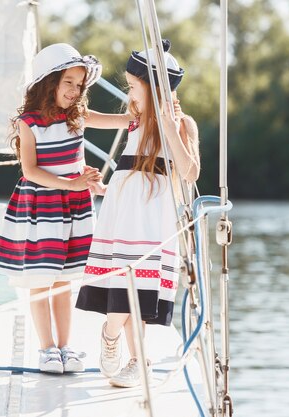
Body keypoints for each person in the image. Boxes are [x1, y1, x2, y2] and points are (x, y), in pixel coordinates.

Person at [0, 43, 131, 374]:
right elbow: (31, 171)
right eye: (68, 82)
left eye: (79, 85)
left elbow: (121, 121)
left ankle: (65, 346)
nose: (74, 90)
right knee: (42, 280)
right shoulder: (30, 122)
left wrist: (147, 114)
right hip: (42, 207)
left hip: (75, 207)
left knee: (65, 282)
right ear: (49, 81)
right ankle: (46, 349)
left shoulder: (77, 117)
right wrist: (71, 184)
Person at [75, 41, 200, 387]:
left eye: (133, 86)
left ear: (156, 89)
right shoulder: (132, 121)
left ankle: (129, 351)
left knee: (139, 291)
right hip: (123, 211)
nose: (128, 93)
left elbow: (190, 172)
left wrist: (170, 126)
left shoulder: (183, 124)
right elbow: (81, 118)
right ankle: (119, 343)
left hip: (152, 218)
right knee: (122, 281)